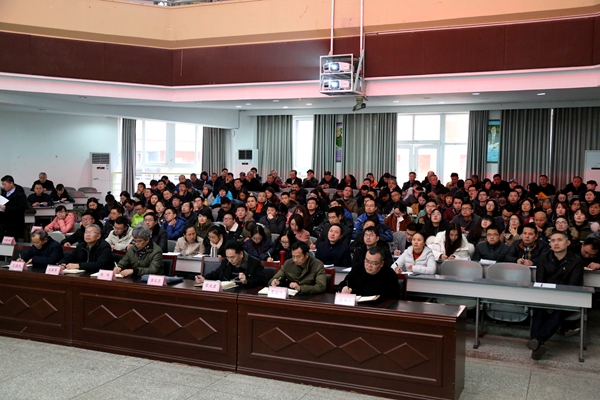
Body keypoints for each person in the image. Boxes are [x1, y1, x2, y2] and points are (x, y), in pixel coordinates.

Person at [527, 231, 583, 360]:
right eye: (552, 241)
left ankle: (536, 340)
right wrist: (548, 299)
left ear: (568, 243)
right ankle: (537, 344)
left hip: (567, 298)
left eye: (559, 240)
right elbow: (540, 280)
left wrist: (556, 299)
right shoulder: (544, 257)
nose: (556, 243)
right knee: (539, 311)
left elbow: (573, 285)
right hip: (546, 296)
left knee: (558, 313)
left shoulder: (576, 260)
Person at [196, 240, 266, 288]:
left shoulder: (254, 263)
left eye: (232, 257)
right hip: (228, 293)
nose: (230, 260)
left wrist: (247, 281)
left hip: (246, 295)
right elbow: (217, 273)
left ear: (241, 254)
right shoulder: (225, 261)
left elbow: (262, 281)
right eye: (228, 257)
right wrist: (204, 278)